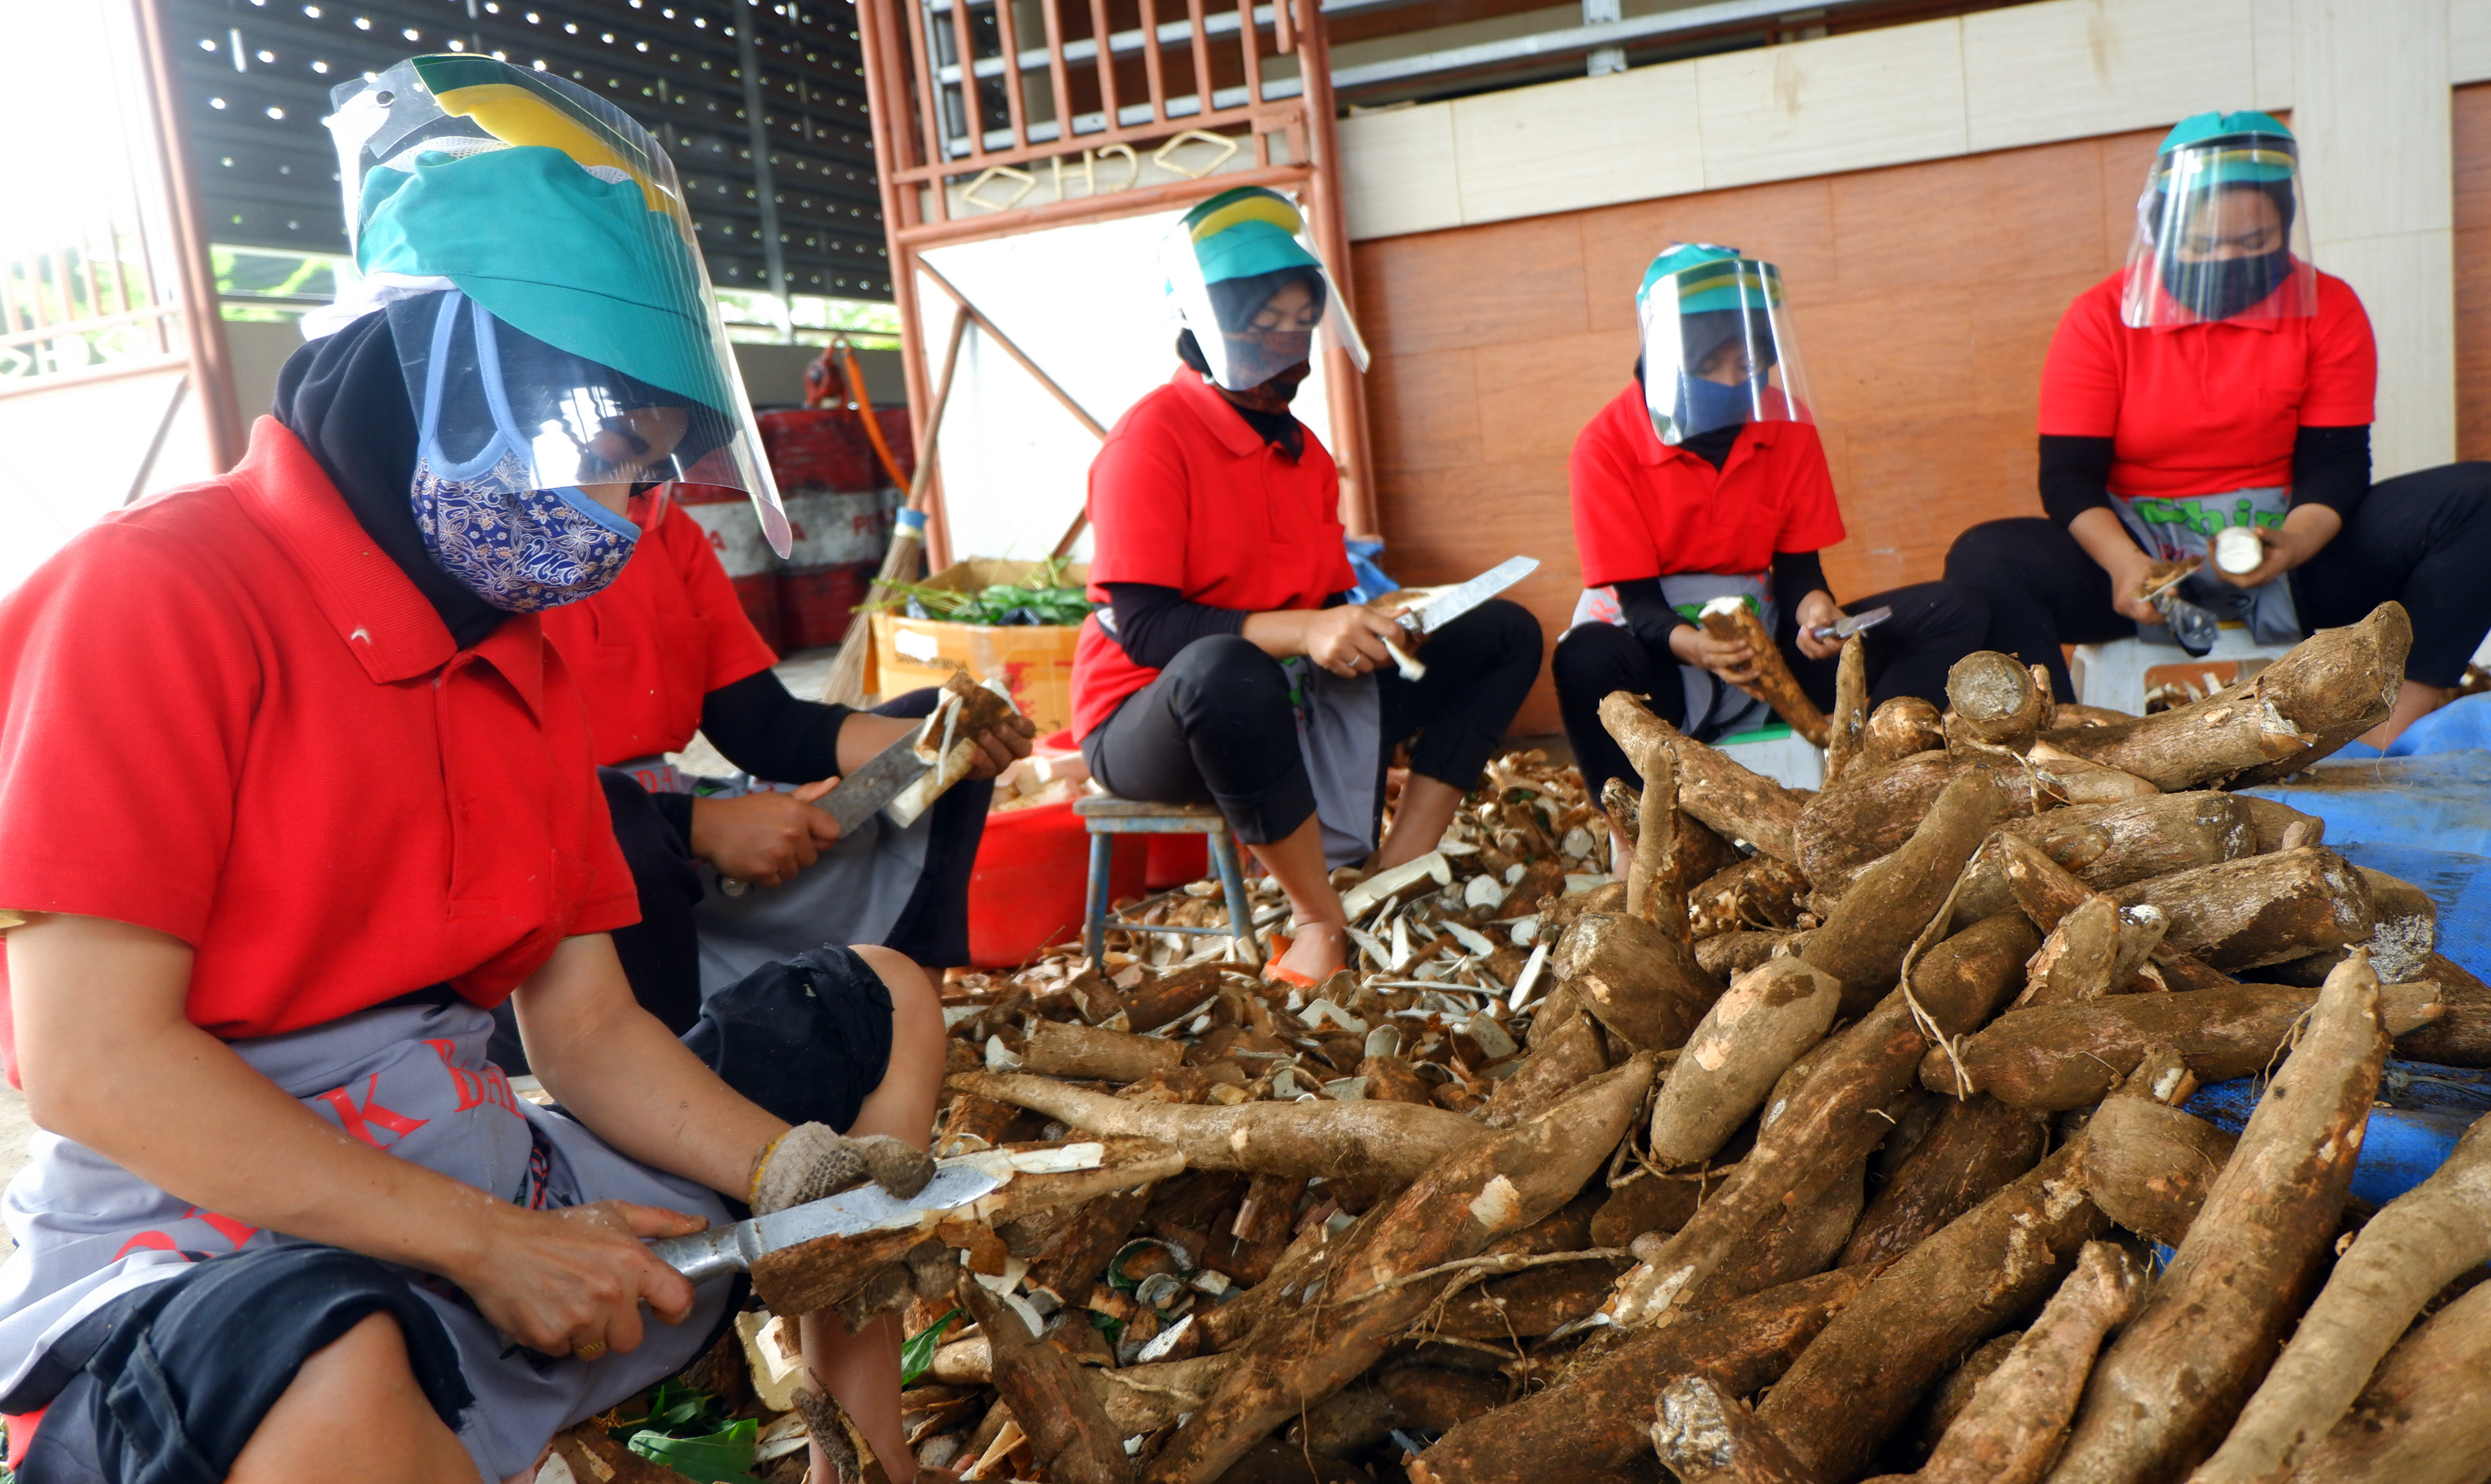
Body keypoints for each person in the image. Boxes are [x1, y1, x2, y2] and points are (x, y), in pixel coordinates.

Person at [0, 56, 942, 1484]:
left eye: (653, 473)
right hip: (205, 1227)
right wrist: (482, 1244)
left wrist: (786, 1177)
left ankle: (862, 1463)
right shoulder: (158, 593)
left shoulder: (519, 651)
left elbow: (589, 1033)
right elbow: (94, 1063)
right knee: (329, 1367)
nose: (630, 518)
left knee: (882, 1001)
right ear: (432, 372)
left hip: (485, 1157)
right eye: (611, 457)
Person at [1072, 187, 1543, 986]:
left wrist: (1379, 621)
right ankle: (1317, 918)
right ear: (1206, 322)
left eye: (1299, 321)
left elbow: (1322, 608)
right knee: (1228, 671)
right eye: (1263, 323)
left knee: (1505, 633)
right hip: (1158, 717)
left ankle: (1396, 870)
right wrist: (1305, 632)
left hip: (1293, 697)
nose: (1284, 342)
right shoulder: (1149, 440)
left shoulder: (1305, 452)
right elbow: (1146, 626)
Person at [1945, 111, 2491, 748]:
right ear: (2162, 230)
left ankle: (2383, 734)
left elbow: (2337, 463)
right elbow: (2067, 476)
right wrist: (2125, 565)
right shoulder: (2099, 318)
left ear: (2285, 225)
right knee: (1984, 556)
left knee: (2478, 499)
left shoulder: (2328, 306)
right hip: (2141, 549)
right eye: (2204, 246)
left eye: (2253, 241)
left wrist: (2291, 542)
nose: (2228, 260)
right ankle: (2060, 753)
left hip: (2287, 546)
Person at [531, 494, 1032, 1047]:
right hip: (560, 849)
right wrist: (698, 824)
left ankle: (900, 1015)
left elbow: (763, 725)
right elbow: (497, 800)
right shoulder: (481, 542)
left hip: (671, 826)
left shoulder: (661, 522)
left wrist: (936, 741)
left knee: (934, 715)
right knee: (623, 818)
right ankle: (670, 1071)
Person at [1551, 243, 1990, 831]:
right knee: (1582, 659)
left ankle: (1880, 776)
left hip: (1772, 658)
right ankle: (1634, 832)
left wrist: (1816, 612)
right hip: (1664, 661)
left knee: (1955, 610)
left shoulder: (1785, 423)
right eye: (1725, 365)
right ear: (1678, 354)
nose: (1744, 380)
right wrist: (1702, 648)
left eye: (1753, 364)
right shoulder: (1605, 445)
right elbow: (1638, 605)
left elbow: (1800, 570)